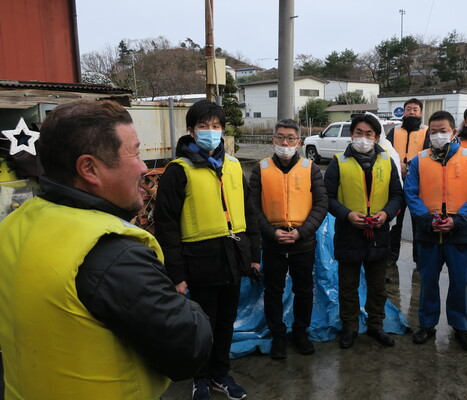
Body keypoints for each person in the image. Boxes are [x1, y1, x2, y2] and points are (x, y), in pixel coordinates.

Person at [0, 100, 213, 399]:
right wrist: (189, 307)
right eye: (135, 152)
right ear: (89, 168)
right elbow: (188, 349)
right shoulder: (114, 254)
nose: (143, 166)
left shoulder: (14, 225)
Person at [154, 100, 260, 400]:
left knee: (227, 322)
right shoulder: (179, 170)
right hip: (199, 262)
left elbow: (247, 213)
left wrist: (254, 257)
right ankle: (199, 377)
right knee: (202, 325)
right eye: (203, 126)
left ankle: (220, 374)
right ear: (191, 130)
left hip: (233, 258)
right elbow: (167, 225)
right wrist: (176, 273)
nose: (211, 132)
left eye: (216, 126)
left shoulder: (234, 165)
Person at [404, 110, 467, 352]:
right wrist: (426, 218)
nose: (438, 135)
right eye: (433, 131)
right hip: (428, 231)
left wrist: (459, 220)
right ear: (428, 133)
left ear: (453, 132)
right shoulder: (419, 160)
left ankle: (460, 327)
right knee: (427, 280)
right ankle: (427, 325)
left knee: (460, 282)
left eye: (443, 131)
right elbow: (411, 193)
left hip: (458, 232)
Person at [249, 119, 328, 360]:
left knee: (304, 290)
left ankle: (301, 332)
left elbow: (321, 204)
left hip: (302, 242)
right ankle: (278, 336)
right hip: (272, 243)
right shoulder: (260, 169)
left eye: (290, 138)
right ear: (272, 140)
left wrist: (301, 232)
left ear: (299, 142)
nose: (285, 143)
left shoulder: (310, 168)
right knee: (273, 291)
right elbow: (252, 208)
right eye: (280, 137)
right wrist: (271, 233)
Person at [324, 113, 403, 349]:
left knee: (377, 285)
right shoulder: (338, 162)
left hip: (378, 233)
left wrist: (386, 214)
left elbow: (397, 195)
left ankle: (376, 326)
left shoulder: (387, 161)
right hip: (349, 232)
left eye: (369, 134)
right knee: (348, 285)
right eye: (359, 133)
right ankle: (349, 327)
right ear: (351, 135)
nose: (363, 138)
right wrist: (347, 214)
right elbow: (326, 197)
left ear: (377, 137)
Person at [386, 98, 430, 267]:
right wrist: (399, 165)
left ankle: (419, 259)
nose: (412, 112)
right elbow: (387, 150)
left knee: (418, 222)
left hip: (418, 183)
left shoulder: (426, 131)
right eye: (409, 109)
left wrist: (409, 165)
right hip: (397, 182)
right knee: (395, 221)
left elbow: (427, 151)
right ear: (403, 112)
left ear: (420, 113)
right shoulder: (394, 131)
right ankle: (391, 257)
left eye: (415, 109)